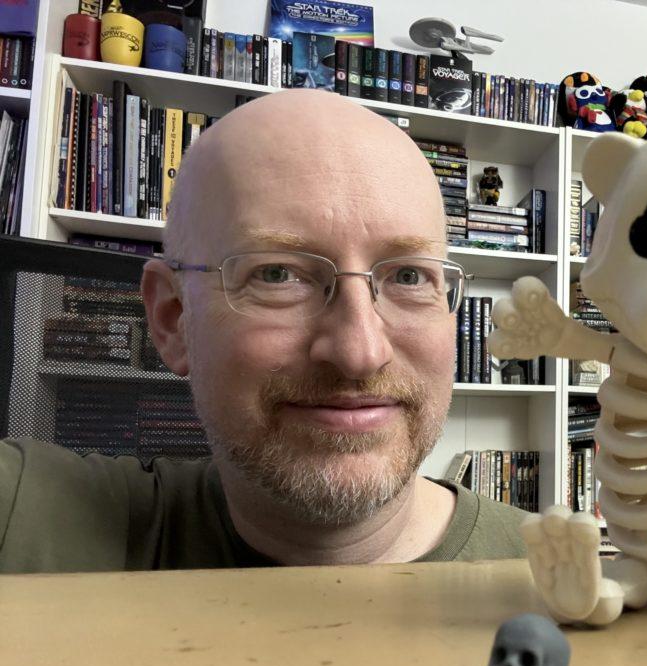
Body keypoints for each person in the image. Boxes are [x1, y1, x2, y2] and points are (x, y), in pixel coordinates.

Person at [0, 90, 526, 573]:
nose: (360, 351)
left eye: (410, 276)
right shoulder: (27, 521)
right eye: (277, 274)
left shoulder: (559, 579)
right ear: (173, 319)